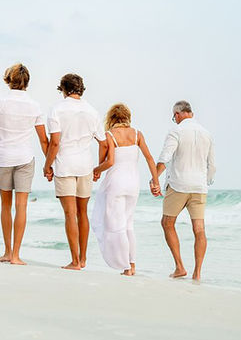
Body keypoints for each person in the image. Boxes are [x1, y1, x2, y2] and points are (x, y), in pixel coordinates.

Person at [0, 63, 48, 265]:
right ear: (27, 82)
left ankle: (6, 251)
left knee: (6, 206)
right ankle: (16, 255)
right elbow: (43, 140)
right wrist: (50, 164)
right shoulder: (34, 105)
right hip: (24, 158)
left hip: (3, 158)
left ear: (8, 80)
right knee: (21, 207)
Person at [43, 73, 106, 270]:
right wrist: (99, 167)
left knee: (70, 214)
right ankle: (83, 259)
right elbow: (103, 143)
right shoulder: (92, 111)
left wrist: (47, 165)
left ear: (63, 89)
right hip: (85, 166)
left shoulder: (57, 109)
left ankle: (75, 261)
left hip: (65, 166)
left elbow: (55, 143)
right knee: (82, 213)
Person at [91, 104, 162, 276]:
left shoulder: (110, 135)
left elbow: (109, 162)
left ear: (111, 118)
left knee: (117, 226)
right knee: (129, 224)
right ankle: (132, 264)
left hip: (116, 184)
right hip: (133, 184)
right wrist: (156, 182)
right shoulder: (137, 134)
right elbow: (150, 158)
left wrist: (96, 170)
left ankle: (126, 267)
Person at [154, 100, 216, 281]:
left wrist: (154, 179)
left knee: (167, 223)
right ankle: (197, 274)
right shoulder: (207, 133)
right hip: (199, 187)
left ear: (177, 114)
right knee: (199, 229)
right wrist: (205, 181)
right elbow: (212, 165)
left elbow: (165, 158)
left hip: (179, 185)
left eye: (174, 117)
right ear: (192, 114)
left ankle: (180, 267)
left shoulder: (176, 131)